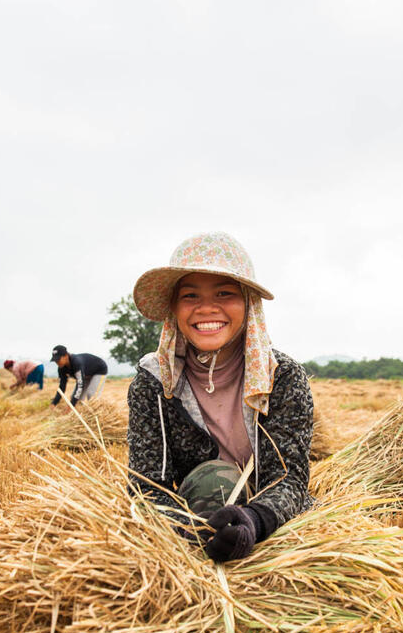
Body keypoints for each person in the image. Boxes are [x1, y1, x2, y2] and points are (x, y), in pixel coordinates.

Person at [126, 231, 314, 564]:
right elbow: (147, 486)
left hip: (268, 520)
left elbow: (290, 479)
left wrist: (253, 521)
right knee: (217, 479)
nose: (206, 308)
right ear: (174, 307)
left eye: (224, 293)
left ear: (248, 303)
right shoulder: (153, 382)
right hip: (195, 516)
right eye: (190, 295)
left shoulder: (282, 376)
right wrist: (188, 530)